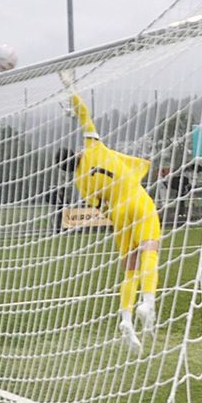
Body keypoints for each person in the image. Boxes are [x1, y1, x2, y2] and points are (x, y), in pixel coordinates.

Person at [57, 81, 161, 352]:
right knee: (150, 248)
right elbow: (85, 115)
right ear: (77, 153)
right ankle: (148, 301)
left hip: (118, 214)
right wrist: (70, 90)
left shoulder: (81, 182)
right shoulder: (93, 148)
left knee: (130, 266)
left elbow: (100, 207)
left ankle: (126, 317)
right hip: (136, 199)